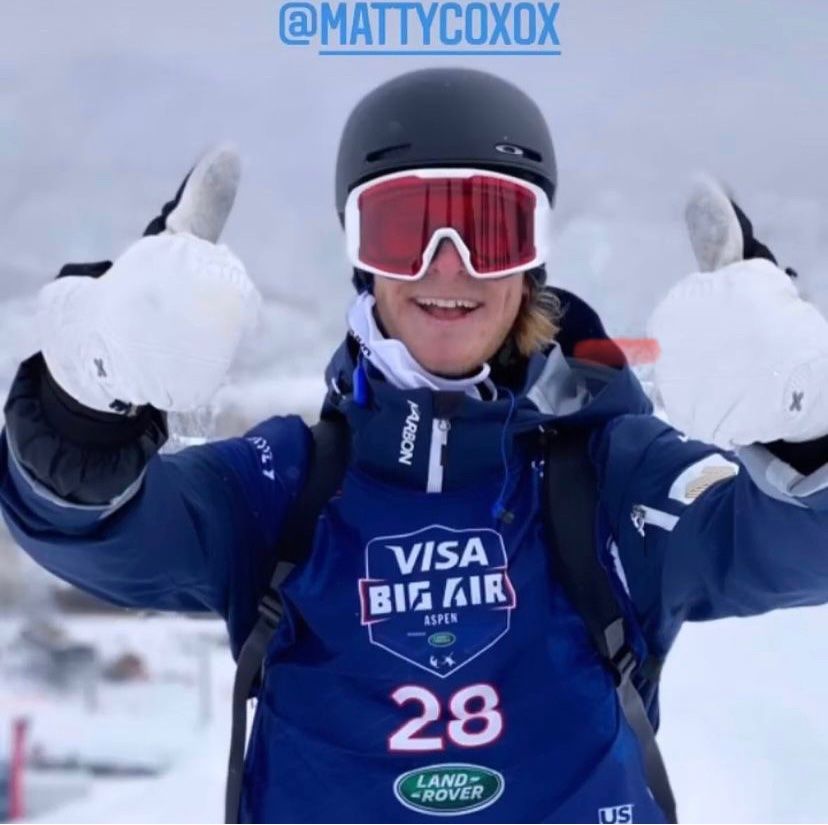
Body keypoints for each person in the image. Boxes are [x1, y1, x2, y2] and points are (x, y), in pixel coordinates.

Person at [3, 67, 828, 825]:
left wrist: (807, 421)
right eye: (405, 227)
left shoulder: (610, 474)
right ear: (361, 259)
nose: (449, 265)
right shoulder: (286, 485)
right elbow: (96, 534)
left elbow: (792, 543)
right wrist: (86, 410)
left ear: (531, 260)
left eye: (489, 226)